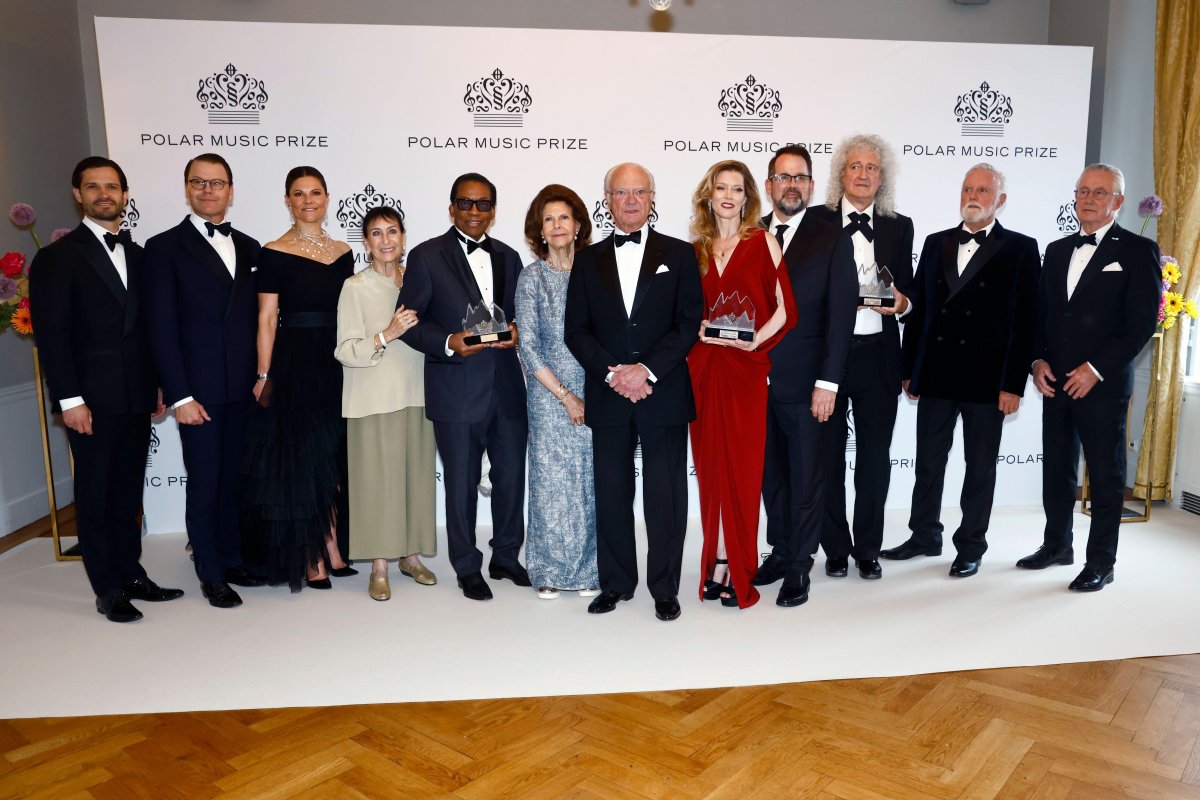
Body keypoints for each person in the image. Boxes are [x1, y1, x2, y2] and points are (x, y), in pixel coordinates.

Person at [29, 156, 182, 623]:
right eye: (93, 187)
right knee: (95, 495)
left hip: (137, 395)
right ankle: (107, 587)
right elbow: (52, 335)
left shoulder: (139, 255)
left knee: (126, 493)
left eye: (111, 187)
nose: (103, 194)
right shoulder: (57, 257)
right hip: (90, 401)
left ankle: (131, 572)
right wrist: (70, 400)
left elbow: (150, 329)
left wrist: (157, 386)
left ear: (124, 194)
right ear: (78, 194)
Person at [564, 162, 703, 622]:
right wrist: (613, 374)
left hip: (660, 392)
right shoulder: (587, 260)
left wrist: (645, 371)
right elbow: (576, 331)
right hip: (608, 396)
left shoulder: (680, 255)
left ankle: (665, 588)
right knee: (612, 493)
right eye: (620, 193)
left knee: (665, 498)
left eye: (638, 192)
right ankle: (617, 584)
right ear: (607, 200)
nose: (629, 200)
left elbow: (687, 325)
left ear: (652, 198)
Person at [886, 163, 1040, 578]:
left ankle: (970, 545)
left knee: (980, 466)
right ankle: (924, 534)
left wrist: (1013, 385)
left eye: (984, 191)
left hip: (988, 381)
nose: (974, 196)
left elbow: (1026, 322)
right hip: (937, 373)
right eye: (968, 189)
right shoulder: (936, 243)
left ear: (1001, 200)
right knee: (928, 462)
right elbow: (921, 311)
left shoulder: (1023, 248)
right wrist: (910, 370)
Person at [1020, 163, 1162, 592]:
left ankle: (1101, 561)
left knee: (1104, 474)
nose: (1088, 199)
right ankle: (1056, 545)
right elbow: (1042, 315)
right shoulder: (1058, 248)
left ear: (1117, 201)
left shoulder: (1138, 250)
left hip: (1102, 386)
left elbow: (1139, 325)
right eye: (1082, 191)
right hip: (1055, 382)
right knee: (1057, 469)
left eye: (1099, 193)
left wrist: (1096, 369)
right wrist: (1037, 362)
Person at [397, 173, 529, 602]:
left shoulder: (510, 257)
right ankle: (467, 566)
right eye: (466, 203)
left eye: (484, 204)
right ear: (451, 208)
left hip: (507, 387)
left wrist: (515, 331)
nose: (475, 212)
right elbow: (409, 323)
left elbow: (520, 318)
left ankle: (506, 556)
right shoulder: (426, 256)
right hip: (456, 390)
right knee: (460, 484)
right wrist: (448, 344)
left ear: (494, 209)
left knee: (510, 480)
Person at [143, 153, 264, 610]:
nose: (208, 191)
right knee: (206, 482)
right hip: (198, 392)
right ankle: (210, 573)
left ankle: (232, 560)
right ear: (187, 189)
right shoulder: (163, 247)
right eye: (199, 182)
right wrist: (180, 395)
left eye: (217, 183)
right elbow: (161, 327)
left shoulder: (251, 247)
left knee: (235, 481)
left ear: (231, 191)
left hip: (244, 391)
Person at [240, 166, 356, 592]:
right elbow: (267, 318)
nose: (308, 200)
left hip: (339, 361)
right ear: (287, 201)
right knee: (304, 459)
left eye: (316, 193)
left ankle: (333, 544)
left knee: (335, 458)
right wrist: (264, 373)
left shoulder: (344, 252)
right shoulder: (273, 251)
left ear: (328, 198)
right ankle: (311, 557)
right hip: (295, 363)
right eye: (299, 193)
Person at [752, 145, 857, 607]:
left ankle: (800, 567)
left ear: (811, 187)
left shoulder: (831, 237)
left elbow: (840, 318)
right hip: (754, 382)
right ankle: (780, 550)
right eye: (782, 177)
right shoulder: (751, 236)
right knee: (771, 477)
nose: (791, 185)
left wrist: (828, 383)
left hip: (807, 383)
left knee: (807, 478)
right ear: (769, 185)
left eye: (800, 177)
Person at [688, 161, 795, 609]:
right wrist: (696, 328)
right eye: (720, 188)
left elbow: (785, 311)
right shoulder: (693, 250)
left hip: (745, 372)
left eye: (737, 188)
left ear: (749, 197)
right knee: (711, 469)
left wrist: (754, 343)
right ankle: (715, 559)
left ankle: (738, 564)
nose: (728, 196)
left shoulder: (763, 241)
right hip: (702, 369)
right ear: (708, 196)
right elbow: (680, 314)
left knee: (744, 471)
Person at [808, 135, 915, 581]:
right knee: (827, 457)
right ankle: (834, 547)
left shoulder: (899, 225)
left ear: (881, 177)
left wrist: (901, 304)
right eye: (855, 166)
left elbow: (910, 292)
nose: (864, 174)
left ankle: (867, 548)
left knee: (874, 458)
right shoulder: (815, 222)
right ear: (841, 174)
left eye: (872, 167)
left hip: (878, 358)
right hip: (826, 361)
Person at [335, 206, 437, 601]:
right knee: (377, 484)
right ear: (366, 242)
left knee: (414, 478)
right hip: (373, 397)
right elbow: (345, 349)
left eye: (392, 231)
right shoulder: (355, 287)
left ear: (403, 236)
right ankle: (379, 567)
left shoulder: (418, 281)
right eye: (376, 234)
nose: (386, 240)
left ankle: (410, 557)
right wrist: (386, 334)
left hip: (418, 394)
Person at [515, 184, 599, 600]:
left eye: (564, 217)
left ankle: (588, 569)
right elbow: (527, 347)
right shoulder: (531, 279)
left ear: (578, 224)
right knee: (549, 480)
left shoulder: (596, 272)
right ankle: (547, 570)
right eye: (549, 219)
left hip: (597, 386)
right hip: (549, 392)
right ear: (540, 231)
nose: (557, 225)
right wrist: (566, 396)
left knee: (588, 480)